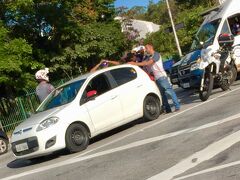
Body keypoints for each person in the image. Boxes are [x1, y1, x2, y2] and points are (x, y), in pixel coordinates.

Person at [128, 43, 180, 113]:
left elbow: (147, 63)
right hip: (156, 78)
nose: (145, 50)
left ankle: (177, 106)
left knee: (169, 91)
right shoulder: (149, 56)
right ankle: (168, 109)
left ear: (150, 47)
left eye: (146, 48)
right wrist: (135, 63)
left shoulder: (156, 55)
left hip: (162, 77)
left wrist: (135, 64)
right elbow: (144, 63)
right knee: (162, 94)